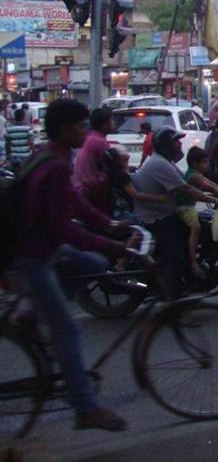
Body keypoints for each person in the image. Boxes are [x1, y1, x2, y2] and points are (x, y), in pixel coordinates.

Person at [8, 99, 135, 431]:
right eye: (80, 126)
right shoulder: (54, 165)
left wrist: (109, 225)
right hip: (32, 258)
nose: (84, 131)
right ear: (65, 130)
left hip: (45, 249)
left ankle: (31, 316)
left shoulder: (54, 156)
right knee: (67, 330)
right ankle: (85, 408)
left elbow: (75, 203)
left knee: (92, 263)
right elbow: (65, 228)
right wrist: (113, 245)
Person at [132, 127, 218, 297]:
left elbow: (198, 183)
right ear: (166, 145)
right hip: (156, 219)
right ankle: (174, 301)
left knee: (204, 228)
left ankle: (194, 276)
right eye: (176, 142)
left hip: (167, 214)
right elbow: (186, 189)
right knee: (175, 257)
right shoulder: (159, 163)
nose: (179, 145)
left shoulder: (166, 162)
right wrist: (216, 200)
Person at [177, 147, 218, 279]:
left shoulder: (197, 173)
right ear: (195, 164)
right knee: (196, 227)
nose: (208, 165)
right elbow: (211, 188)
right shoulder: (194, 176)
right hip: (183, 207)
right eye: (205, 162)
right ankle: (193, 261)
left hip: (189, 206)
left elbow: (213, 185)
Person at [73, 107, 115, 214]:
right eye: (111, 120)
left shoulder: (92, 138)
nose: (114, 123)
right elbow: (113, 168)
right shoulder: (99, 141)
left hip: (85, 189)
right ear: (104, 124)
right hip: (90, 191)